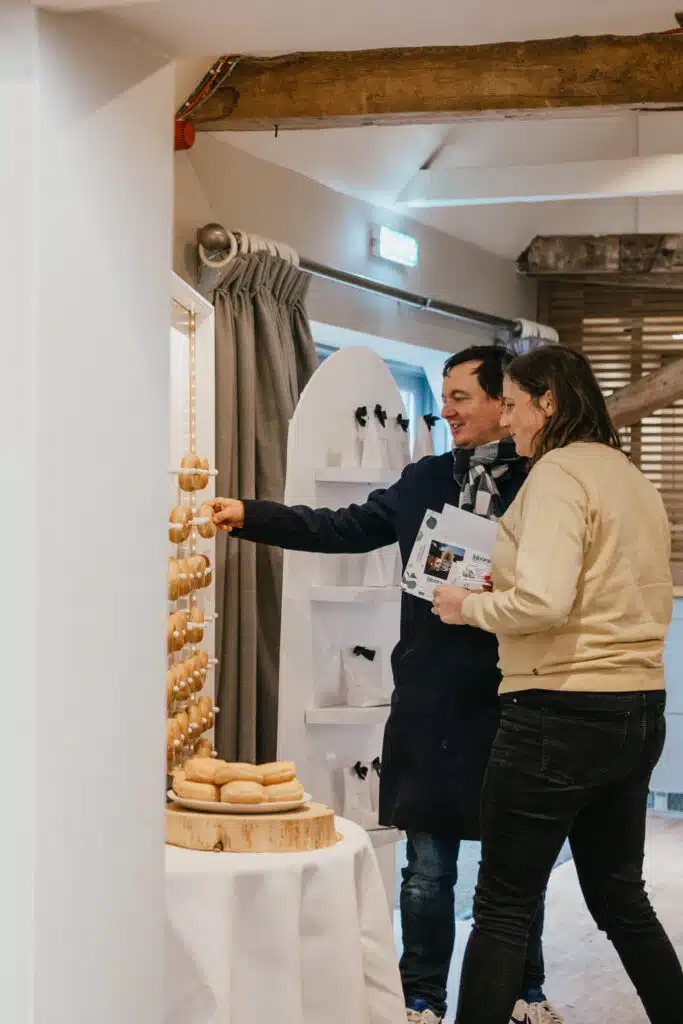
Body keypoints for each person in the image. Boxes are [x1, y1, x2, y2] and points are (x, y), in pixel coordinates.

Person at [210, 345, 562, 1024]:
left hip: (515, 695)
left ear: (505, 402)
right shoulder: (425, 478)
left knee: (515, 867)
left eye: (461, 396)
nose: (446, 409)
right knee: (426, 869)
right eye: (443, 394)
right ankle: (421, 999)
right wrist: (252, 515)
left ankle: (524, 992)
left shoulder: (548, 483)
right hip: (429, 699)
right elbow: (344, 528)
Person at [432, 345, 683, 1024]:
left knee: (502, 906)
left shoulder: (556, 473)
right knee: (620, 898)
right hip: (636, 711)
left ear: (547, 401)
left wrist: (467, 606)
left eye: (511, 404)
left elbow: (542, 603)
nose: (507, 420)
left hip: (556, 713)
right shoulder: (627, 476)